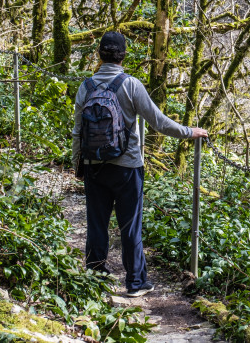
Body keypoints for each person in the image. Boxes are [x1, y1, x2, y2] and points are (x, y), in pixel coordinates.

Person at [71, 31, 208, 297]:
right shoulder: (131, 85)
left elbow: (78, 131)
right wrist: (189, 132)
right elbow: (158, 121)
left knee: (96, 223)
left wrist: (78, 164)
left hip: (93, 166)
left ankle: (95, 277)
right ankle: (135, 282)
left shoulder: (85, 87)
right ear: (123, 56)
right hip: (127, 167)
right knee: (129, 225)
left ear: (99, 55)